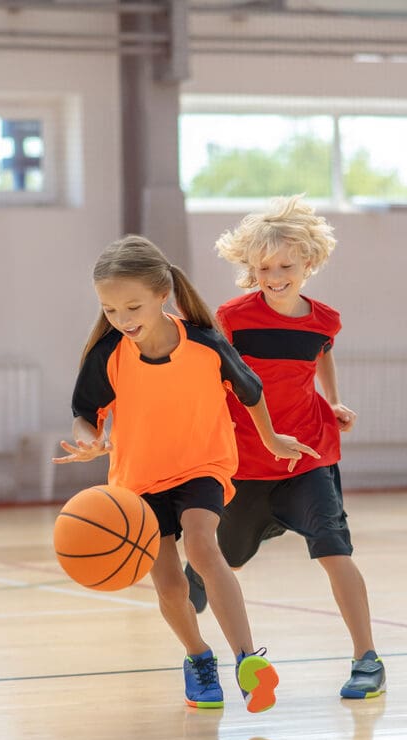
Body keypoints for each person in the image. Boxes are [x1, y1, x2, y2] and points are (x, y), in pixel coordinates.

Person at [53, 234, 319, 713]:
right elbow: (84, 413)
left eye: (132, 307)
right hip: (138, 481)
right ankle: (198, 657)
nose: (122, 319)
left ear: (162, 294)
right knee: (171, 585)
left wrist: (271, 439)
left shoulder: (204, 344)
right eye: (110, 310)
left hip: (202, 465)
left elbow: (251, 391)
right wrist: (89, 439)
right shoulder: (109, 353)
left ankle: (247, 660)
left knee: (202, 544)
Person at [184, 195, 386, 700]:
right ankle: (201, 591)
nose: (274, 277)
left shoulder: (325, 320)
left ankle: (367, 659)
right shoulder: (231, 317)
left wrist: (333, 401)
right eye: (264, 268)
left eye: (285, 266)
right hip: (246, 464)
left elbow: (322, 355)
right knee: (223, 564)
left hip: (308, 457)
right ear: (251, 270)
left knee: (335, 552)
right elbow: (211, 376)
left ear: (309, 263)